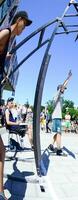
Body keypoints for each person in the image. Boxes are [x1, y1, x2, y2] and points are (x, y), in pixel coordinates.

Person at [0, 12, 32, 198]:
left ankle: (1, 191)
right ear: (18, 21)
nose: (24, 28)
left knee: (1, 149)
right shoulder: (5, 32)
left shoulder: (7, 40)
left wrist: (7, 58)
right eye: (24, 24)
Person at [48, 71, 72, 156]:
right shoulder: (56, 95)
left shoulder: (59, 96)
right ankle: (58, 150)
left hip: (57, 117)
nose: (64, 90)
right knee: (59, 134)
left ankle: (51, 145)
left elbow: (63, 87)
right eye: (63, 89)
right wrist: (68, 78)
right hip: (56, 117)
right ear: (60, 89)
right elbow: (62, 86)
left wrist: (68, 80)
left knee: (57, 133)